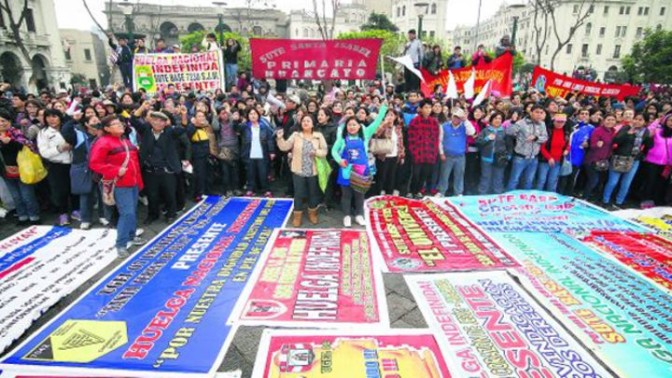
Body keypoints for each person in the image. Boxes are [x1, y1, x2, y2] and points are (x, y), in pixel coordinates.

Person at [89, 116, 145, 257]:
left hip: (132, 182)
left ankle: (132, 235)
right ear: (107, 129)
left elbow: (134, 163)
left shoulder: (124, 140)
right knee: (127, 213)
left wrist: (139, 182)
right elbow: (94, 163)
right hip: (119, 184)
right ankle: (121, 244)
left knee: (132, 211)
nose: (120, 125)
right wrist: (114, 170)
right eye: (115, 124)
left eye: (120, 123)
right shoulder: (103, 142)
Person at [332, 103, 388, 227]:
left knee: (359, 195)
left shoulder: (365, 135)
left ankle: (359, 215)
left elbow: (377, 122)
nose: (352, 127)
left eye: (354, 125)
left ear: (359, 126)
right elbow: (334, 151)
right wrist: (339, 160)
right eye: (349, 125)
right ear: (346, 127)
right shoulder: (342, 139)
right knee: (346, 195)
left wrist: (383, 109)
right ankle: (346, 215)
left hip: (361, 171)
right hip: (346, 170)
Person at [131, 104, 188, 224]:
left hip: (167, 170)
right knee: (152, 195)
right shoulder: (145, 130)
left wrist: (183, 115)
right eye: (155, 120)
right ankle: (153, 215)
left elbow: (183, 128)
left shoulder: (170, 132)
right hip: (150, 170)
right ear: (150, 121)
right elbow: (133, 120)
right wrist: (142, 107)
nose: (157, 123)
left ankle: (171, 214)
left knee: (170, 194)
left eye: (161, 121)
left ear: (165, 123)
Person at [276, 115, 328, 226]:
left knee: (313, 194)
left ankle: (312, 214)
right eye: (304, 121)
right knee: (299, 194)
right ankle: (297, 216)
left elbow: (324, 151)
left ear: (313, 124)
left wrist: (316, 152)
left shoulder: (318, 136)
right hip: (298, 170)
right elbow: (284, 147)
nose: (305, 123)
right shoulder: (296, 135)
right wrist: (280, 138)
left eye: (308, 121)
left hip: (313, 170)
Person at [602, 112, 652, 209]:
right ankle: (605, 200)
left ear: (645, 122)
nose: (637, 121)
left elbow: (648, 146)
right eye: (636, 119)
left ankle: (619, 202)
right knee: (613, 181)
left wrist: (649, 140)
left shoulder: (646, 132)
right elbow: (616, 141)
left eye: (640, 120)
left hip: (633, 160)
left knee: (626, 183)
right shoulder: (626, 128)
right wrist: (628, 134)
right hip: (619, 158)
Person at [0, 109, 40, 225]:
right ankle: (22, 217)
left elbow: (28, 146)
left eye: (4, 121)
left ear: (10, 121)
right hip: (5, 172)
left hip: (23, 170)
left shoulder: (16, 132)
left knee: (27, 195)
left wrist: (11, 142)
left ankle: (34, 216)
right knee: (16, 196)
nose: (1, 123)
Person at [38, 109, 77, 226]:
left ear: (60, 117)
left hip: (73, 163)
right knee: (60, 191)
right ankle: (63, 213)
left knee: (74, 189)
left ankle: (76, 210)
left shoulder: (69, 128)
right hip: (57, 164)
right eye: (48, 117)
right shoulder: (43, 133)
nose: (51, 119)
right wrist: (59, 149)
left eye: (54, 116)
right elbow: (44, 152)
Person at [506, 104, 548, 191]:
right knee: (514, 180)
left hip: (534, 158)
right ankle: (508, 199)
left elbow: (545, 138)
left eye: (541, 112)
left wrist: (536, 138)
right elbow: (508, 132)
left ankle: (526, 201)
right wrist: (513, 122)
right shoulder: (521, 123)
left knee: (529, 181)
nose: (539, 114)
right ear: (531, 112)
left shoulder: (542, 124)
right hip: (520, 157)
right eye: (537, 112)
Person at [436, 107, 475, 197]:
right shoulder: (444, 126)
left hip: (460, 156)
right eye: (455, 116)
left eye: (458, 117)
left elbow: (472, 132)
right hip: (447, 155)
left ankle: (458, 192)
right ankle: (442, 191)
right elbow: (440, 140)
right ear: (451, 116)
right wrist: (441, 153)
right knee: (444, 175)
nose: (456, 119)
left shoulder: (464, 126)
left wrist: (465, 120)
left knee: (459, 175)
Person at [408, 99, 440, 198]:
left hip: (428, 154)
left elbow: (435, 139)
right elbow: (411, 138)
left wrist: (434, 152)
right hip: (417, 153)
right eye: (426, 107)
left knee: (424, 174)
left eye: (430, 107)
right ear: (421, 109)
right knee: (415, 174)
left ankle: (419, 191)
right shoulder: (415, 121)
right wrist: (413, 151)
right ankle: (411, 191)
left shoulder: (434, 122)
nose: (428, 110)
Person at [241, 108, 275, 197]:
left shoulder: (264, 126)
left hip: (262, 152)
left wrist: (271, 151)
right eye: (251, 114)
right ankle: (250, 189)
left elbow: (269, 139)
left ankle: (266, 190)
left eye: (255, 113)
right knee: (250, 173)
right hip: (249, 153)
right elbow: (235, 128)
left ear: (258, 115)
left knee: (263, 172)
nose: (253, 115)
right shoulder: (244, 127)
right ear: (248, 116)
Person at [640, 113, 672, 208]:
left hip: (667, 164)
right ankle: (646, 200)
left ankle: (657, 201)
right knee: (650, 181)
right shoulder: (657, 131)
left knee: (661, 183)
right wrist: (657, 120)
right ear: (665, 121)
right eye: (670, 120)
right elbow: (647, 131)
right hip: (652, 161)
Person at [583, 113, 617, 201]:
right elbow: (592, 145)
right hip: (592, 160)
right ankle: (585, 198)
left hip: (604, 161)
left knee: (600, 181)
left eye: (612, 120)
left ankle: (594, 198)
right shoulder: (598, 130)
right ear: (603, 121)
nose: (610, 122)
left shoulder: (614, 131)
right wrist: (597, 145)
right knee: (593, 180)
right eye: (608, 119)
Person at [372, 109, 405, 196]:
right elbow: (376, 134)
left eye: (392, 115)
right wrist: (384, 123)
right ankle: (379, 193)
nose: (390, 117)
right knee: (382, 176)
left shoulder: (398, 128)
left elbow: (400, 142)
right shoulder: (382, 125)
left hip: (394, 156)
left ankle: (389, 193)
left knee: (391, 176)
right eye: (388, 115)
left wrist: (401, 155)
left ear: (395, 117)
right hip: (383, 156)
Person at [477, 111, 509, 194]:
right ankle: (482, 194)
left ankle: (497, 195)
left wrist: (508, 156)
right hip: (486, 159)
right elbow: (479, 143)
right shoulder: (485, 130)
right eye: (495, 118)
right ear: (491, 120)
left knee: (498, 178)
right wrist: (487, 138)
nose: (497, 120)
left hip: (499, 159)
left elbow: (509, 145)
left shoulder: (504, 132)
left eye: (500, 118)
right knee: (485, 177)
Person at [536, 113, 570, 192]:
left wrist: (567, 150)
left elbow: (568, 144)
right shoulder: (548, 131)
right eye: (558, 121)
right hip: (545, 161)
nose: (560, 124)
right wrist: (549, 158)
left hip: (558, 161)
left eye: (562, 122)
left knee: (552, 181)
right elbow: (542, 147)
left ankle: (550, 199)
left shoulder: (566, 132)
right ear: (553, 121)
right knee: (541, 180)